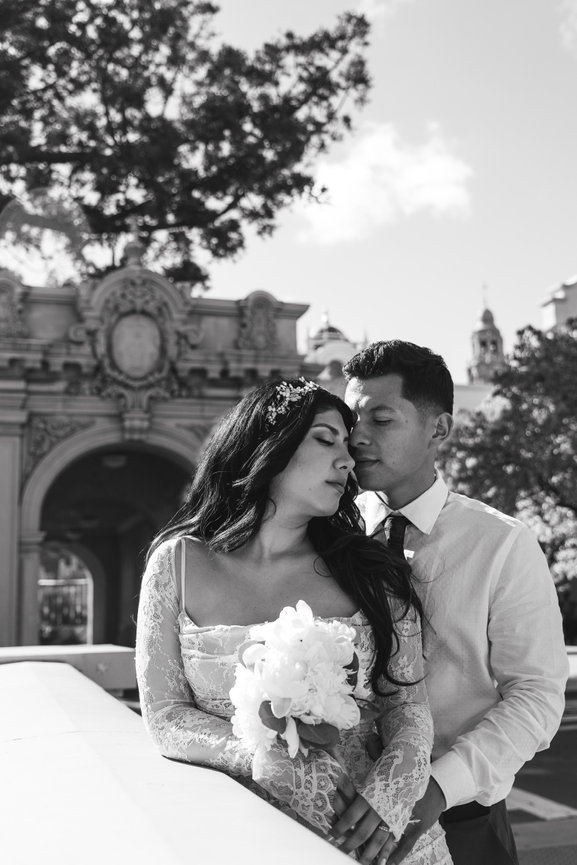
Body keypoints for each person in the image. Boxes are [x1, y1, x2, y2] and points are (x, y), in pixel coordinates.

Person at [135, 377, 452, 865]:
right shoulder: (177, 563)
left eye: (347, 447)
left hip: (373, 838)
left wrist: (390, 794)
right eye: (326, 440)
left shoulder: (371, 570)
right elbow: (165, 715)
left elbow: (407, 708)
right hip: (247, 837)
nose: (347, 461)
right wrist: (267, 756)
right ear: (267, 448)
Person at [342, 341, 569, 865]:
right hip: (336, 815)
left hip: (459, 822)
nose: (358, 438)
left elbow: (536, 694)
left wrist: (438, 789)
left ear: (439, 430)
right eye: (352, 420)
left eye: (381, 419)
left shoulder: (502, 544)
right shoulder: (327, 533)